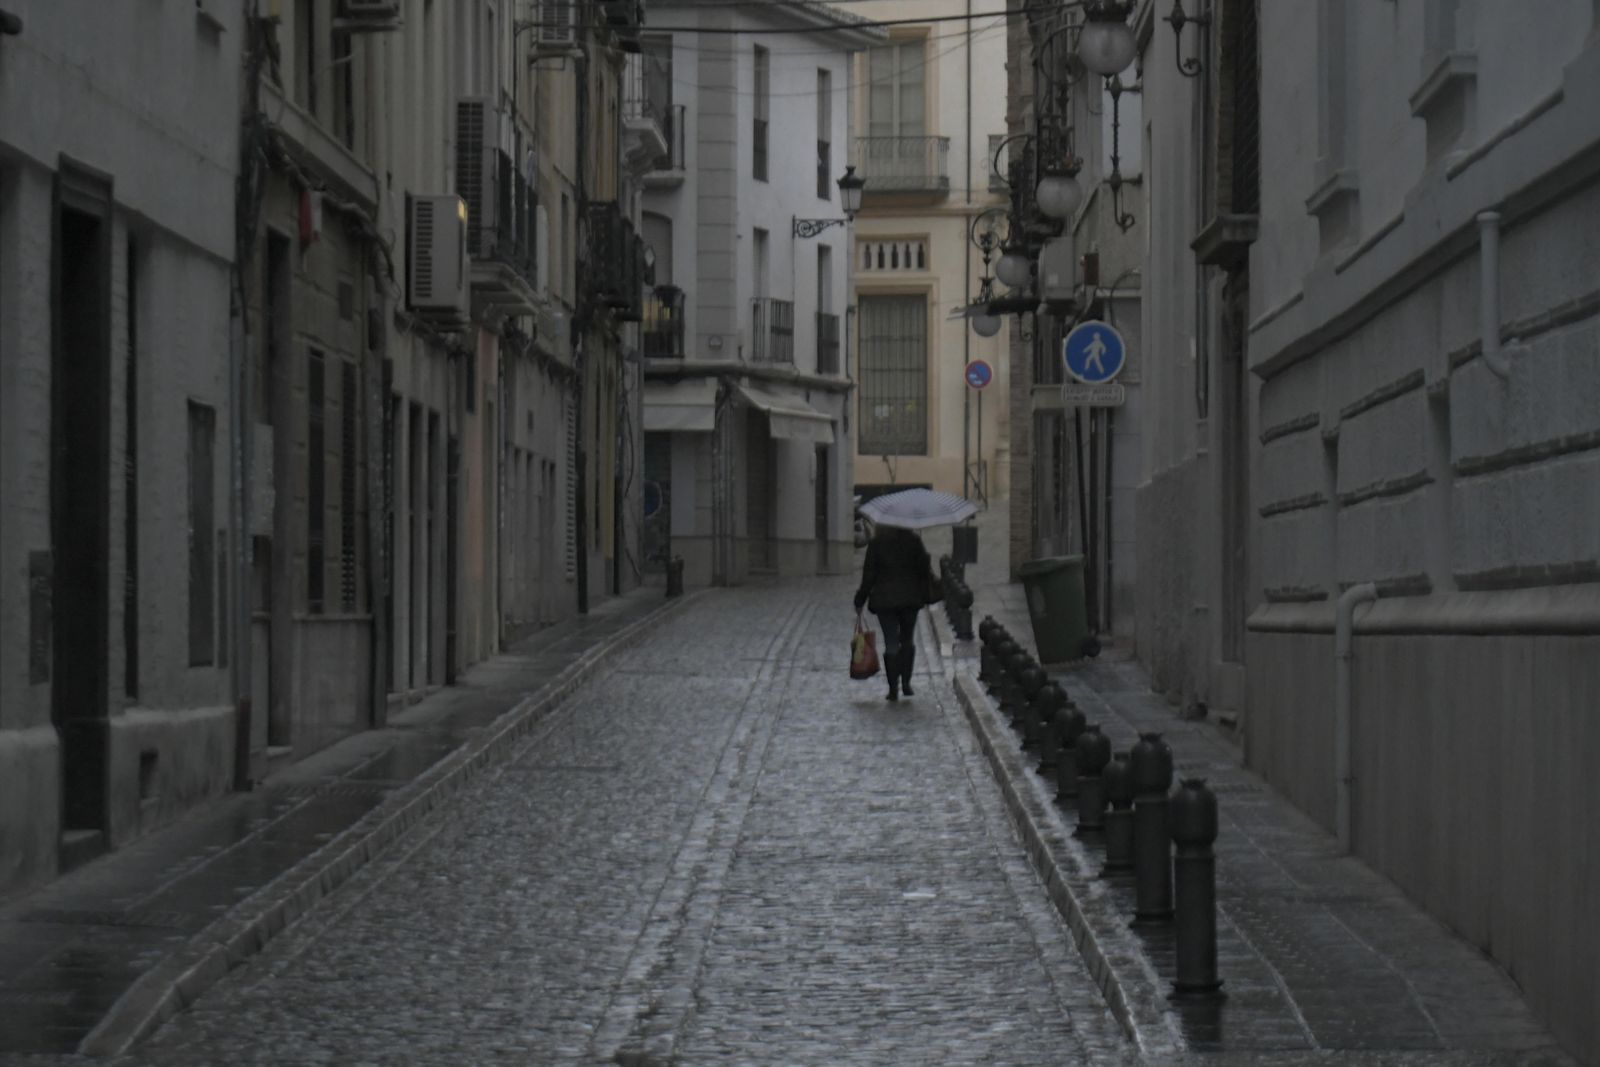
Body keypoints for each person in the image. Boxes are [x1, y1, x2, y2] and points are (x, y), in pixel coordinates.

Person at [853, 523, 932, 703]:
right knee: (907, 639)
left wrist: (860, 599)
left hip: (885, 600)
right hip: (910, 599)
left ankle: (893, 688)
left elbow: (869, 576)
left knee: (891, 642)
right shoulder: (913, 541)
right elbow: (923, 571)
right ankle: (906, 683)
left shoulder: (877, 543)